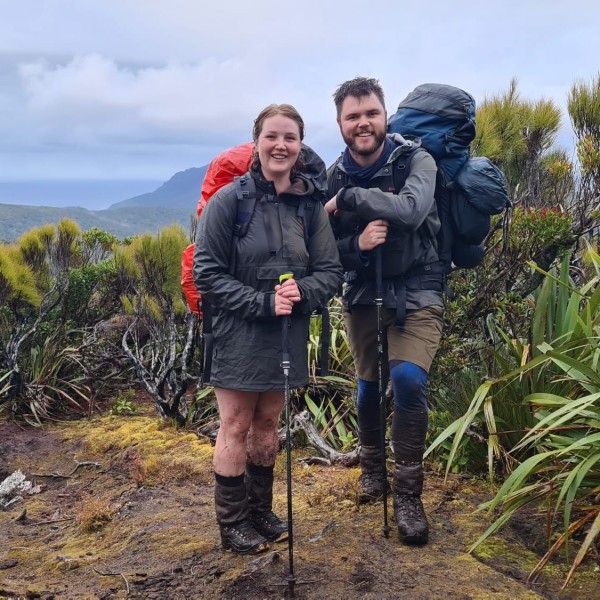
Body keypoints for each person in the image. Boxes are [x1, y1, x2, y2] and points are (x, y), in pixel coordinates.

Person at [193, 104, 343, 555]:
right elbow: (207, 274)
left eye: (290, 138)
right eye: (272, 137)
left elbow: (330, 271)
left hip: (285, 332)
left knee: (267, 422)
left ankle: (260, 511)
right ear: (256, 142)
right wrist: (261, 302)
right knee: (236, 423)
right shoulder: (228, 202)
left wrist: (303, 291)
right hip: (237, 332)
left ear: (300, 145)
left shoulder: (309, 207)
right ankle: (233, 523)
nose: (281, 146)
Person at [324, 77, 444, 545]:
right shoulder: (333, 175)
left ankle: (408, 494)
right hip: (362, 289)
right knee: (368, 385)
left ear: (385, 115)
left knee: (409, 379)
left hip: (418, 286)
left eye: (371, 113)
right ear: (340, 123)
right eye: (352, 116)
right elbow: (323, 252)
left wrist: (350, 199)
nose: (363, 123)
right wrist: (357, 244)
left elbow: (411, 211)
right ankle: (372, 468)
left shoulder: (416, 160)